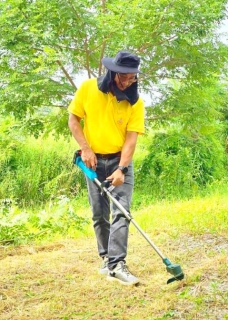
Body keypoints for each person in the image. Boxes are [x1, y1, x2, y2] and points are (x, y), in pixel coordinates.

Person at [68, 50, 145, 286]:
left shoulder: (135, 102)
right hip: (92, 160)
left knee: (121, 211)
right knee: (99, 214)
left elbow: (131, 139)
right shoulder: (88, 89)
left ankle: (117, 264)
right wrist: (85, 148)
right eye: (123, 75)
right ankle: (106, 258)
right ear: (112, 71)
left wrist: (122, 168)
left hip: (119, 161)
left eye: (131, 77)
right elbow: (73, 120)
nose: (126, 81)